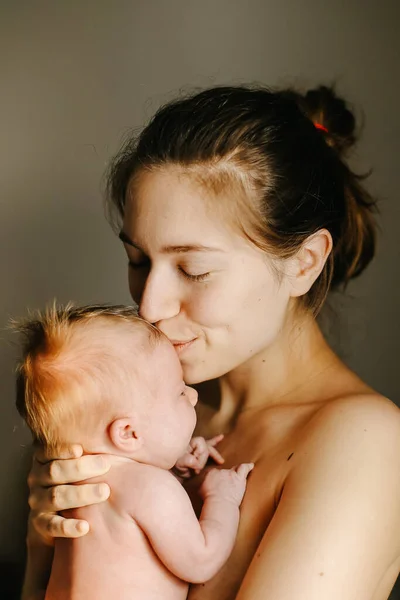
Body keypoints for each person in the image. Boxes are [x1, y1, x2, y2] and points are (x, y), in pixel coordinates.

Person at [22, 84, 400, 600]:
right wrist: (46, 547)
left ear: (304, 263)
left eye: (193, 270)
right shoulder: (145, 419)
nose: (149, 306)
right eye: (138, 262)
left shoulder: (366, 441)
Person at [15, 303, 253, 600]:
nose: (192, 396)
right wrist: (222, 498)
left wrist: (177, 463)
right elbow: (201, 561)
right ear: (129, 433)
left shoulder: (76, 491)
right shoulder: (153, 487)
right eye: (179, 391)